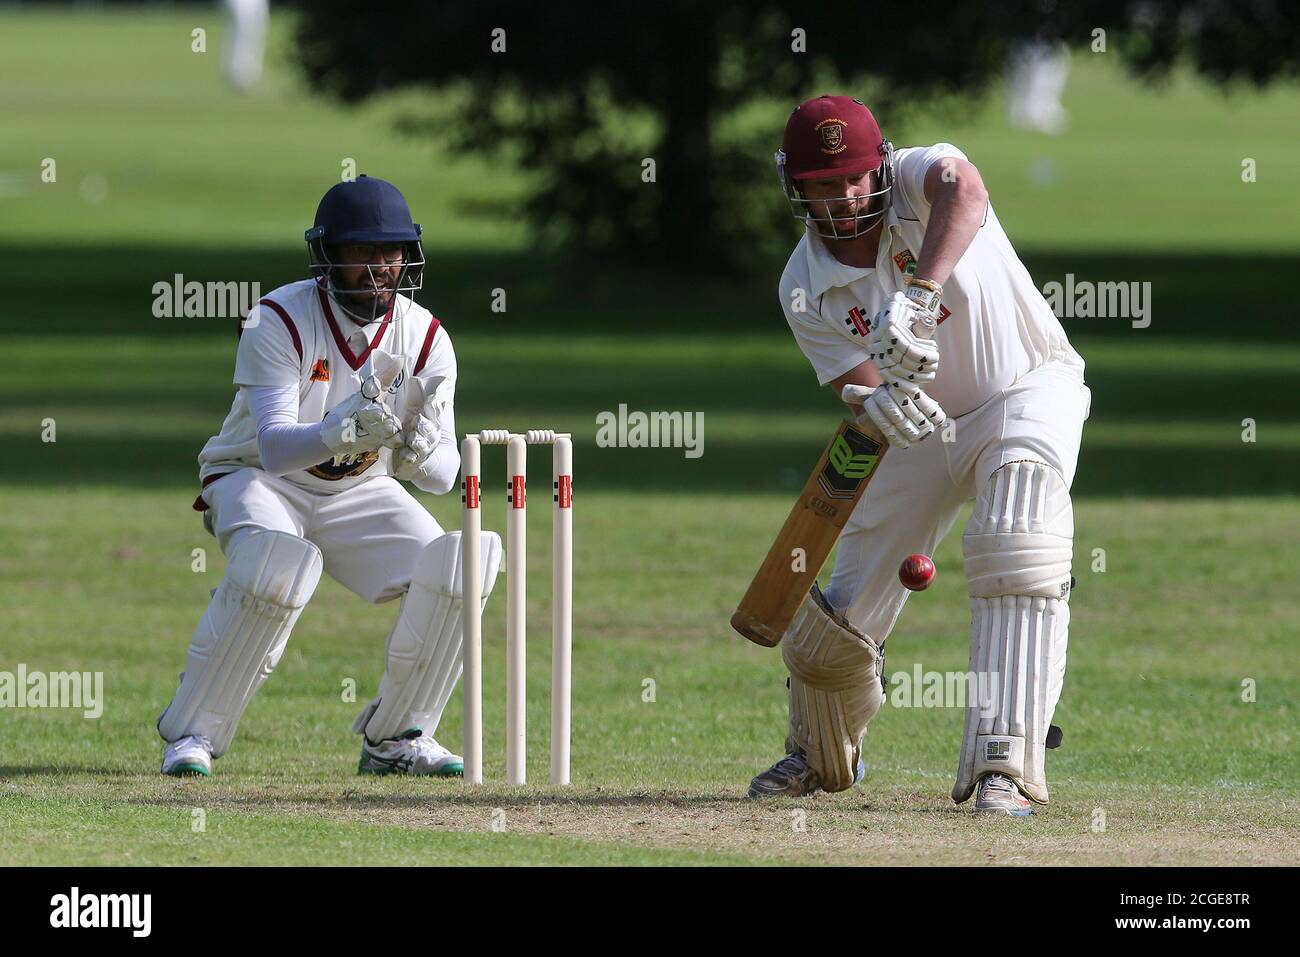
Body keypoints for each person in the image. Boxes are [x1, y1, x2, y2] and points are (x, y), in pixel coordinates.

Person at [748, 96, 1089, 815]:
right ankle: (820, 747)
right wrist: (871, 398)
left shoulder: (917, 179)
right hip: (919, 424)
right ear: (796, 186)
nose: (841, 197)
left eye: (851, 179)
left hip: (1025, 384)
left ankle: (1006, 765)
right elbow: (857, 380)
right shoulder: (802, 285)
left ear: (880, 167)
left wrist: (921, 295)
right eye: (821, 183)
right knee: (838, 612)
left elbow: (964, 186)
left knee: (1017, 538)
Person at [157, 175, 501, 777]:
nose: (379, 267)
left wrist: (422, 453)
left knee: (464, 562)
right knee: (275, 565)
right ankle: (192, 736)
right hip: (256, 479)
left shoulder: (425, 339)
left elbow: (445, 477)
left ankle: (397, 739)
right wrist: (340, 430)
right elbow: (272, 447)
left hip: (358, 490)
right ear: (329, 256)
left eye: (390, 252)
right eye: (362, 253)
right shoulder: (277, 320)